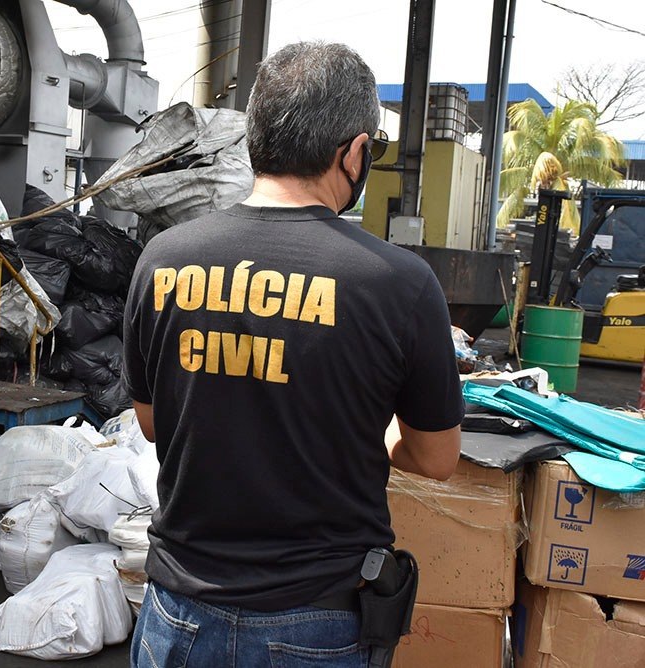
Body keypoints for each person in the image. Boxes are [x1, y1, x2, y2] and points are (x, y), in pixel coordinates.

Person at [123, 41, 464, 667]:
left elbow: (151, 422)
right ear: (354, 152)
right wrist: (378, 430)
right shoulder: (398, 283)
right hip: (316, 624)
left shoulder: (162, 259)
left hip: (175, 614)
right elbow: (437, 457)